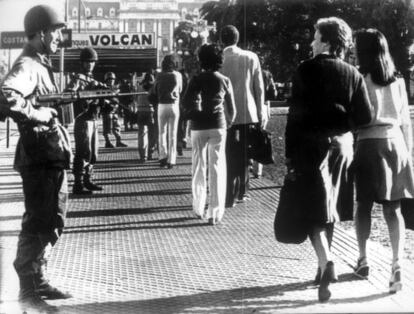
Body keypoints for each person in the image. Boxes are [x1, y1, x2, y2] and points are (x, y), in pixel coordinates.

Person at [285, 17, 372, 302]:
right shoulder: (352, 73)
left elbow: (294, 116)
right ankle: (321, 271)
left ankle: (327, 261)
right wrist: (341, 122)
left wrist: (289, 155)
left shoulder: (305, 70)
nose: (311, 41)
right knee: (330, 206)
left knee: (312, 209)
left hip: (311, 145)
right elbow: (365, 117)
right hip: (342, 146)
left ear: (325, 40)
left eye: (315, 36)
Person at [0, 5, 73, 312]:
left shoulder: (40, 64)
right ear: (42, 32)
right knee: (39, 220)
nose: (60, 37)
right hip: (39, 156)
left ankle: (38, 278)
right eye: (56, 32)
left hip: (47, 156)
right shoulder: (28, 63)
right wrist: (39, 113)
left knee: (51, 217)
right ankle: (27, 287)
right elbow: (7, 95)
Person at [353, 29, 414, 293]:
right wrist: (408, 153)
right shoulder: (398, 81)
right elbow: (405, 121)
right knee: (394, 209)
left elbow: (357, 118)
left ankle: (363, 258)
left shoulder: (360, 78)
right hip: (396, 144)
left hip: (368, 143)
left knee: (363, 205)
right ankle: (397, 262)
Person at [183, 44, 236, 225]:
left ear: (201, 59)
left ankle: (198, 207)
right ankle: (215, 212)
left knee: (199, 166)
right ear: (219, 60)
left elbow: (185, 102)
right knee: (217, 167)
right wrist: (227, 123)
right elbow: (233, 111)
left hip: (198, 126)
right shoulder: (225, 80)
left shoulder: (195, 79)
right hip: (218, 126)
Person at [219, 25, 267, 207]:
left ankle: (229, 192)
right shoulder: (251, 57)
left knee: (229, 152)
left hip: (226, 113)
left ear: (221, 40)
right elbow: (259, 87)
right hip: (248, 112)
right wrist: (261, 112)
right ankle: (243, 191)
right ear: (237, 39)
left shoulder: (220, 59)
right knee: (245, 153)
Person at [67, 47, 104, 195]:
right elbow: (68, 94)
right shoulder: (77, 79)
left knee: (93, 153)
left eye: (92, 62)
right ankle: (78, 184)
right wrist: (85, 95)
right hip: (83, 119)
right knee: (83, 152)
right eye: (87, 62)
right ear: (82, 63)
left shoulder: (92, 79)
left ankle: (88, 180)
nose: (90, 65)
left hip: (94, 119)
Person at [149, 55, 183, 168]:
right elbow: (181, 89)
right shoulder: (178, 75)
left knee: (161, 132)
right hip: (174, 105)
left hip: (162, 105)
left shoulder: (159, 76)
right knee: (173, 134)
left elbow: (154, 90)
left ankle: (162, 157)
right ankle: (171, 160)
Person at [252, 62, 277, 179]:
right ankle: (258, 170)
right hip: (265, 105)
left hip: (253, 106)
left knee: (251, 135)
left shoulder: (252, 73)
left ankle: (250, 162)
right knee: (261, 137)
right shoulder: (268, 75)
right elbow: (274, 93)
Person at [101, 71, 128, 148]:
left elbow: (117, 98)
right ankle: (107, 142)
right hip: (106, 110)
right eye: (109, 79)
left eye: (112, 79)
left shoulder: (115, 88)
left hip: (114, 110)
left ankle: (118, 141)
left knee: (117, 127)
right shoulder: (103, 88)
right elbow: (102, 99)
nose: (111, 80)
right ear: (106, 80)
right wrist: (108, 101)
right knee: (107, 127)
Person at [136, 72, 157, 162]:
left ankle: (142, 155)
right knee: (152, 134)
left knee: (142, 134)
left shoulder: (139, 87)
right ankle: (150, 153)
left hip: (141, 111)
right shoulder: (153, 87)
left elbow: (135, 98)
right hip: (151, 111)